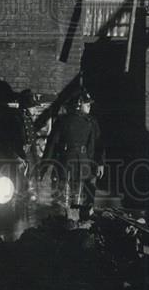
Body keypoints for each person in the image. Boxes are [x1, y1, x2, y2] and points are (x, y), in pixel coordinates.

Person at [41, 91, 104, 228]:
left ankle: (72, 224)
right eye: (87, 104)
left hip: (72, 164)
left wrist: (44, 167)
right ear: (78, 105)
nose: (89, 107)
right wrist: (99, 163)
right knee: (72, 197)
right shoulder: (82, 122)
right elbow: (53, 144)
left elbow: (52, 145)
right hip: (76, 165)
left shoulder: (80, 121)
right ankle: (72, 224)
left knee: (72, 197)